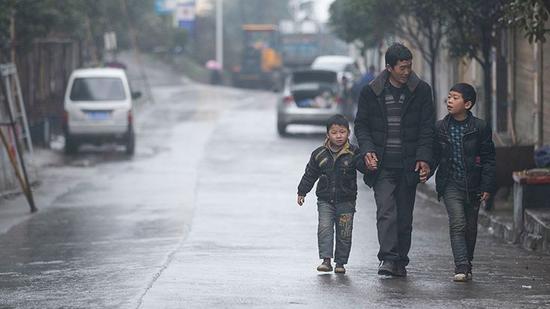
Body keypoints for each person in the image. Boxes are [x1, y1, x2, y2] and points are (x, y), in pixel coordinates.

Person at [354, 43, 435, 277]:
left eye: (409, 66)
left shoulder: (421, 90)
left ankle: (400, 260)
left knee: (404, 217)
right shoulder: (371, 91)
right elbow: (362, 125)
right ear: (389, 67)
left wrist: (423, 158)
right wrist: (367, 150)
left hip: (408, 164)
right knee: (386, 211)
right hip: (382, 166)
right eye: (402, 67)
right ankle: (388, 259)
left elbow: (426, 128)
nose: (407, 71)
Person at [432, 83, 496, 282]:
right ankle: (460, 265)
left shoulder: (480, 127)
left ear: (467, 104)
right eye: (449, 97)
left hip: (473, 184)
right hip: (450, 183)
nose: (449, 101)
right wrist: (425, 169)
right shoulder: (440, 127)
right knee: (458, 224)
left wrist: (486, 186)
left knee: (470, 227)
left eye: (455, 97)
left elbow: (488, 159)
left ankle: (467, 262)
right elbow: (435, 155)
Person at [297, 114, 366, 274]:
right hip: (325, 200)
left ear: (348, 133)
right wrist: (302, 191)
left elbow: (365, 168)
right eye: (334, 132)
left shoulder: (354, 152)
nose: (338, 136)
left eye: (342, 132)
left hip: (346, 200)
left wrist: (369, 165)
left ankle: (340, 263)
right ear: (327, 134)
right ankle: (326, 260)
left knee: (344, 231)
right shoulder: (319, 154)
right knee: (325, 228)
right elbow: (310, 174)